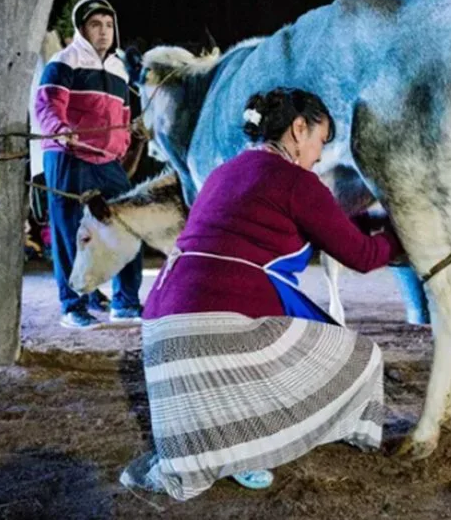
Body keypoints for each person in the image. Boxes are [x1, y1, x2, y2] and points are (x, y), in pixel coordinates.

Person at [120, 88, 404, 501]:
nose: (320, 155)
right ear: (298, 128)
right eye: (320, 142)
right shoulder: (296, 181)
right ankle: (256, 445)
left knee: (276, 332)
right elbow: (361, 254)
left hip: (161, 327)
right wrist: (401, 238)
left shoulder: (222, 173)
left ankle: (229, 444)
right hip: (213, 326)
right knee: (362, 356)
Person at [35, 0, 142, 328]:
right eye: (96, 24)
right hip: (68, 156)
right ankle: (73, 306)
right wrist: (61, 130)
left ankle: (125, 303)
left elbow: (123, 116)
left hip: (107, 160)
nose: (104, 31)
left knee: (127, 226)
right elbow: (47, 106)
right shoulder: (64, 61)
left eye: (109, 25)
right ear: (82, 28)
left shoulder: (118, 69)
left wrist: (123, 142)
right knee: (70, 233)